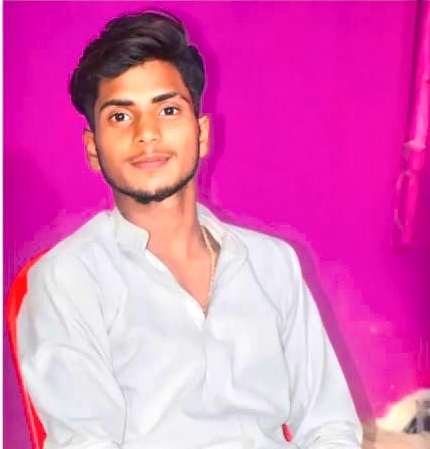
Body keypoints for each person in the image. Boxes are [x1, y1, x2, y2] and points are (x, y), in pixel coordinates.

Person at [17, 9, 362, 449]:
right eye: (120, 117)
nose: (147, 134)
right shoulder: (68, 280)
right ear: (92, 149)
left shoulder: (271, 264)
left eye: (168, 110)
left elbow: (330, 427)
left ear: (201, 133)